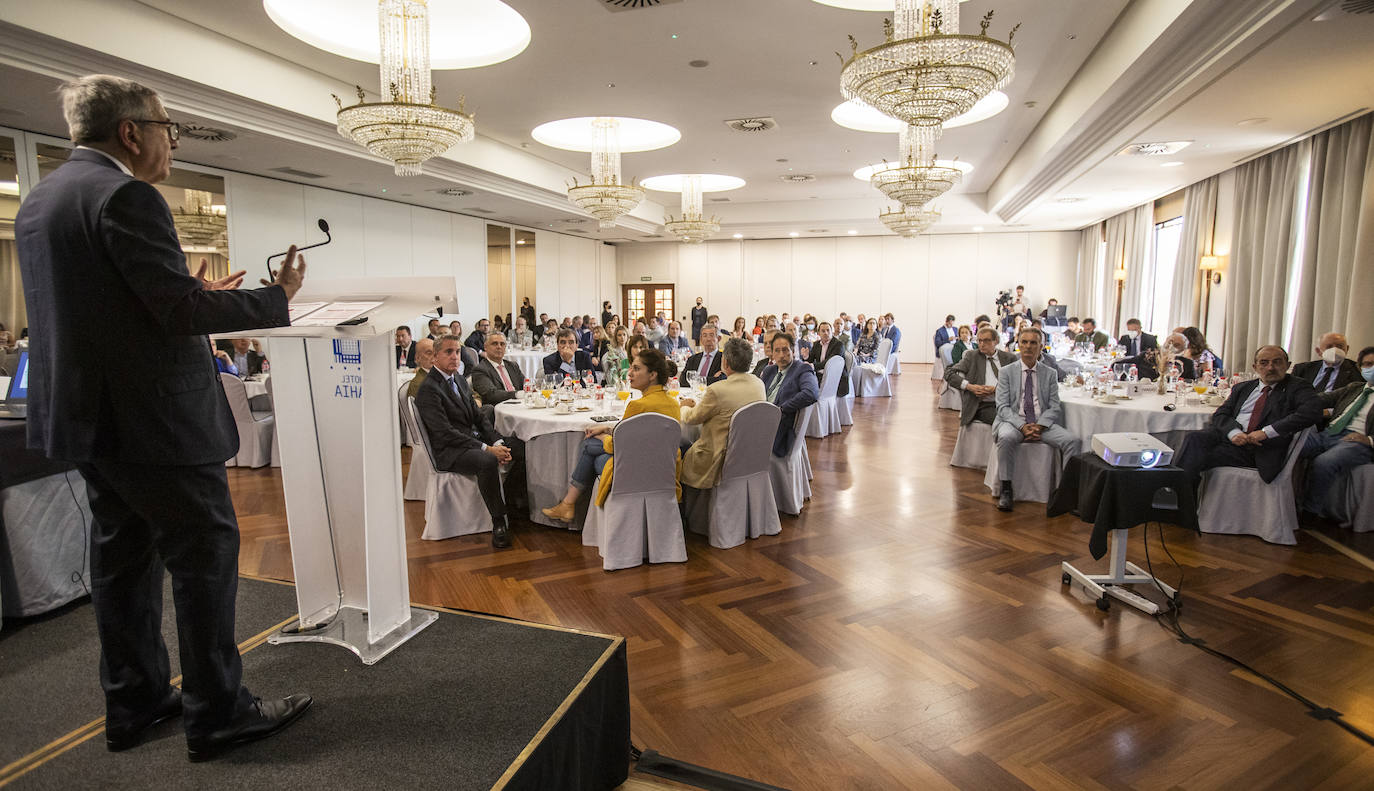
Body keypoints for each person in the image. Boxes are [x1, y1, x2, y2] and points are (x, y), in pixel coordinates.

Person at [14, 74, 311, 760]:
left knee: (123, 561)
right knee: (205, 556)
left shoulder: (43, 198)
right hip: (155, 422)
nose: (171, 141)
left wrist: (190, 288)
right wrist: (276, 297)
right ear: (130, 132)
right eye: (167, 128)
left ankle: (137, 701)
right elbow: (177, 316)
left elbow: (110, 305)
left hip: (90, 421)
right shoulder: (127, 195)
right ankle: (218, 711)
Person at [541, 348, 681, 523]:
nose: (629, 373)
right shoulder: (673, 404)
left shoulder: (637, 406)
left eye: (636, 369)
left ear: (652, 374)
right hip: (663, 472)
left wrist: (601, 436)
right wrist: (607, 429)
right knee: (593, 446)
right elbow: (643, 438)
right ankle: (568, 504)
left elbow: (618, 447)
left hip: (634, 474)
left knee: (589, 445)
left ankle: (568, 504)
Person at [415, 336, 525, 547]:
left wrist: (498, 441)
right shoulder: (429, 389)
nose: (455, 357)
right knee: (486, 461)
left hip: (468, 441)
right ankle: (498, 520)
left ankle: (513, 501)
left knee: (520, 447)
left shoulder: (457, 379)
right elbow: (444, 433)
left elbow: (479, 417)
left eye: (457, 352)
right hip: (449, 451)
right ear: (435, 356)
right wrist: (487, 448)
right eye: (448, 352)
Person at [1173, 345, 1321, 487]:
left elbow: (1311, 412)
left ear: (1287, 365)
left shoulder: (1298, 387)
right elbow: (1221, 414)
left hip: (1260, 449)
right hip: (1232, 439)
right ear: (1255, 367)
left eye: (1277, 362)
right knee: (1194, 439)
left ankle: (1179, 501)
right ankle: (1181, 499)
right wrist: (1234, 433)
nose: (1270, 367)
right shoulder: (1243, 387)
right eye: (1264, 363)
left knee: (1194, 458)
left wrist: (1266, 432)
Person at [992, 328, 1081, 511]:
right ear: (1018, 345)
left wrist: (1039, 425)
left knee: (1073, 441)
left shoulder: (1049, 373)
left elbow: (1055, 406)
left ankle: (1066, 492)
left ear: (1041, 346)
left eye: (1033, 343)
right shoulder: (1006, 372)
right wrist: (1022, 426)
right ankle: (1006, 489)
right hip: (1013, 422)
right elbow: (1002, 407)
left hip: (1042, 423)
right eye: (1024, 342)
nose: (1028, 347)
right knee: (1006, 437)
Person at [679, 337, 767, 490]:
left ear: (725, 362)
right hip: (749, 450)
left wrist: (683, 407)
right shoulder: (758, 383)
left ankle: (689, 506)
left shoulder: (717, 390)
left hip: (718, 456)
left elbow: (692, 419)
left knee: (681, 448)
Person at [1301, 346, 1374, 518]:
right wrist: (1293, 397)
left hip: (1357, 442)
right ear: (1360, 368)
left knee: (1324, 462)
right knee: (1291, 445)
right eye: (1368, 364)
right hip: (1329, 434)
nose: (1371, 368)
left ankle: (1310, 511)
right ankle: (1285, 500)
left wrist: (1369, 440)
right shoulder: (1355, 387)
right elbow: (1322, 399)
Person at [759, 333, 819, 458]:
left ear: (792, 351)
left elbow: (811, 393)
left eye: (785, 350)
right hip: (762, 419)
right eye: (777, 351)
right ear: (772, 353)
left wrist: (781, 409)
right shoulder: (769, 371)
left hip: (778, 428)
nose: (781, 355)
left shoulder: (802, 369)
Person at [947, 326, 1017, 429]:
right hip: (983, 405)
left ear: (996, 341)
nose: (982, 344)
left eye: (987, 341)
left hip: (1008, 403)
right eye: (980, 341)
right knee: (1005, 420)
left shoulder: (1009, 358)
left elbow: (1019, 382)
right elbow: (949, 373)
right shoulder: (972, 356)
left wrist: (997, 390)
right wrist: (969, 386)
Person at [1291, 332, 1360, 393]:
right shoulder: (1302, 369)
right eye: (1329, 347)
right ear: (1318, 351)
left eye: (1340, 346)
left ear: (1347, 349)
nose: (1335, 350)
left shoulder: (1357, 370)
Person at [470, 331, 525, 406]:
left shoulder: (513, 365)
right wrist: (516, 394)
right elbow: (491, 394)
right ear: (485, 347)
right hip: (499, 409)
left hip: (521, 404)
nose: (499, 347)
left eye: (502, 344)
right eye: (494, 344)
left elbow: (525, 384)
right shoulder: (480, 370)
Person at [806, 321, 849, 397]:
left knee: (809, 389)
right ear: (818, 333)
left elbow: (830, 362)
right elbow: (810, 360)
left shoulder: (838, 344)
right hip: (820, 376)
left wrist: (813, 366)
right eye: (823, 331)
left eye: (828, 330)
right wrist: (806, 357)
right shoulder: (816, 344)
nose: (826, 333)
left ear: (832, 331)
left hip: (835, 378)